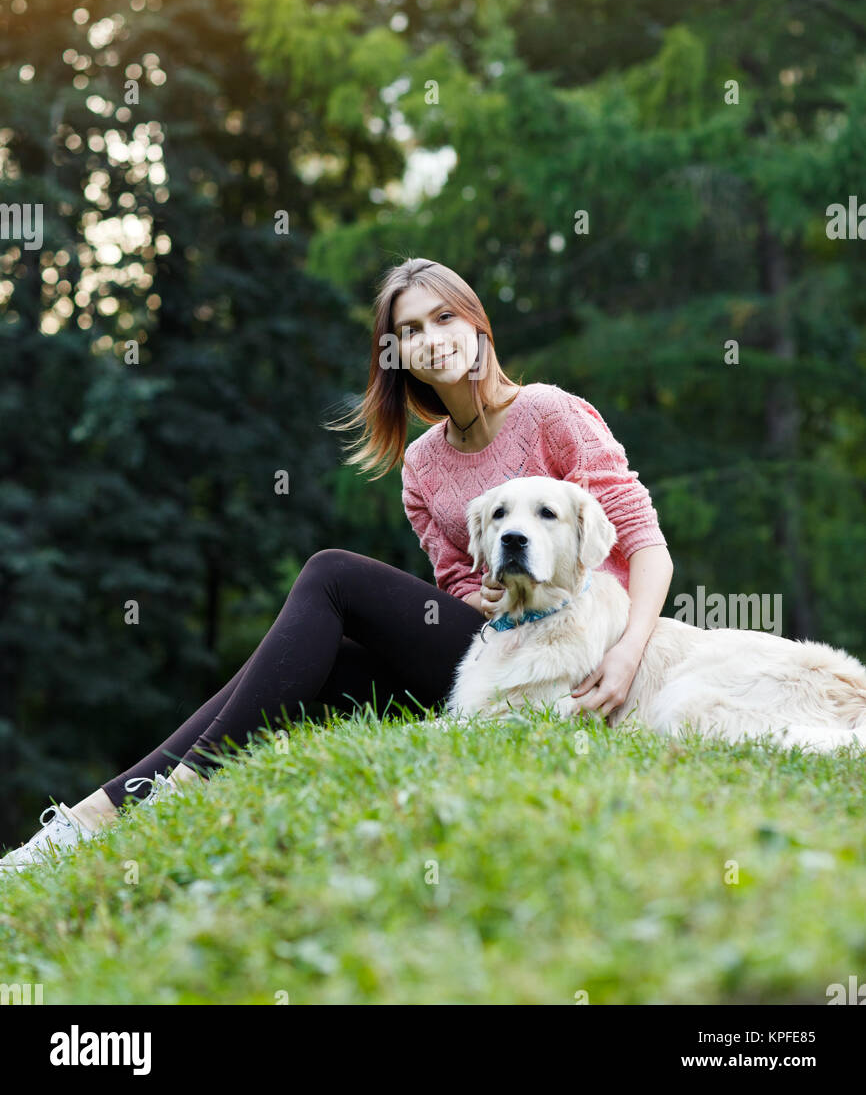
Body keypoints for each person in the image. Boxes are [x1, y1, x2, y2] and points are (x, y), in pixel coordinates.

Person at [1, 256, 673, 874]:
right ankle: (88, 819)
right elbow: (461, 587)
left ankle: (171, 788)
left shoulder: (550, 414)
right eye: (410, 330)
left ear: (477, 325)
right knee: (309, 661)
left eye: (445, 317)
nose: (432, 337)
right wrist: (484, 598)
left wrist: (628, 651)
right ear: (397, 354)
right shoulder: (423, 465)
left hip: (576, 645)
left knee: (330, 574)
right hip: (487, 653)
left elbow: (645, 542)